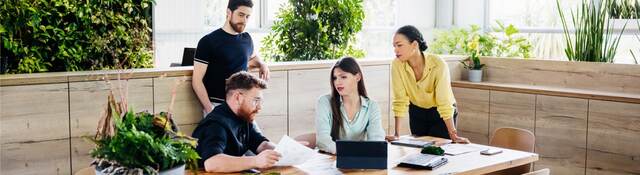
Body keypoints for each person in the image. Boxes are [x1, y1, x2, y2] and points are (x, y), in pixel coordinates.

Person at [386, 25, 469, 143]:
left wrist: (453, 135)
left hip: (441, 115)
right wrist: (397, 134)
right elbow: (400, 100)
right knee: (418, 152)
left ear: (414, 45)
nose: (395, 50)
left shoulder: (438, 64)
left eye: (399, 45)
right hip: (417, 112)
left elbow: (444, 102)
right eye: (394, 46)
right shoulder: (397, 65)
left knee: (440, 152)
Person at [192, 0, 270, 116]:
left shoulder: (247, 39)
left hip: (242, 104)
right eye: (241, 15)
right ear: (229, 12)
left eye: (248, 17)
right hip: (218, 107)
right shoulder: (208, 41)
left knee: (255, 134)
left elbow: (252, 56)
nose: (244, 20)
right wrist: (210, 109)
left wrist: (262, 64)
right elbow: (196, 81)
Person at [191, 71, 279, 173]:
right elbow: (211, 163)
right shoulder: (216, 124)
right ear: (238, 97)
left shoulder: (243, 117)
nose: (260, 107)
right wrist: (255, 161)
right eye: (256, 100)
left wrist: (286, 151)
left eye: (260, 102)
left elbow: (262, 145)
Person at [315, 57, 386, 154]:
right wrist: (345, 151)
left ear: (357, 77)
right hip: (330, 159)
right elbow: (322, 140)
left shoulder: (372, 106)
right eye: (335, 78)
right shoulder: (324, 102)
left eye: (343, 77)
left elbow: (376, 138)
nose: (338, 82)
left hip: (360, 161)